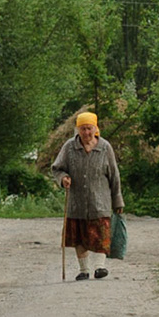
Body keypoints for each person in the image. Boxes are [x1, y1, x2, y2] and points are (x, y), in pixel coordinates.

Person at [51, 111, 123, 281]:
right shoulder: (69, 147)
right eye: (82, 129)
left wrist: (117, 200)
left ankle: (100, 267)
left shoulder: (105, 148)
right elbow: (57, 168)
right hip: (77, 202)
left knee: (100, 235)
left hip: (100, 201)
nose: (86, 133)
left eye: (89, 129)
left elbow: (114, 175)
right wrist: (63, 179)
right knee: (80, 236)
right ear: (77, 130)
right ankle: (84, 270)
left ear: (95, 128)